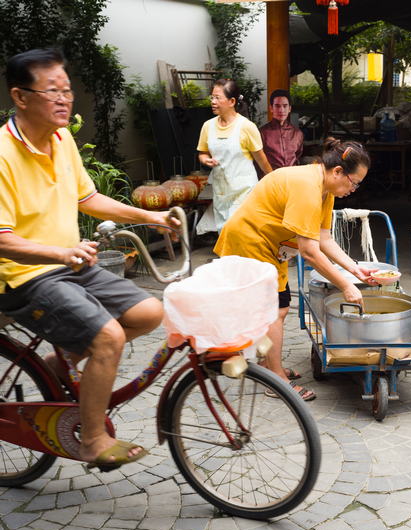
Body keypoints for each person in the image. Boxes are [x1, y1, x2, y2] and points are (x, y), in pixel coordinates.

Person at [0, 48, 179, 468]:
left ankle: (58, 365)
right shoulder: (3, 154)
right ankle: (92, 441)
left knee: (149, 312)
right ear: (20, 97)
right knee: (109, 338)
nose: (63, 98)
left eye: (67, 90)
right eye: (51, 91)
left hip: (70, 266)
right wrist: (61, 251)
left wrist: (149, 215)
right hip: (23, 278)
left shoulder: (62, 140)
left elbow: (89, 197)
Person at [214, 138, 375, 401]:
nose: (353, 189)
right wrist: (345, 286)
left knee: (275, 307)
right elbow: (310, 251)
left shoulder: (325, 190)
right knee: (276, 309)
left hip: (269, 245)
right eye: (353, 182)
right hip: (250, 241)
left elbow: (325, 239)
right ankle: (276, 379)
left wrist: (354, 270)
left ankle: (266, 366)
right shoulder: (307, 188)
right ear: (337, 172)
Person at [196, 79, 273, 235]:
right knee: (224, 235)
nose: (213, 102)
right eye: (212, 97)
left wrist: (274, 180)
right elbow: (202, 152)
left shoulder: (246, 127)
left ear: (232, 101)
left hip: (244, 191)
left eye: (218, 97)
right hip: (221, 192)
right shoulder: (207, 126)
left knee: (237, 232)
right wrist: (206, 160)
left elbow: (261, 159)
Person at [254, 88, 304, 176]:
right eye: (277, 106)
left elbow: (298, 157)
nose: (281, 110)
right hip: (269, 181)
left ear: (289, 108)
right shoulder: (261, 133)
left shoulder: (297, 133)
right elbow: (257, 162)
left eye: (285, 106)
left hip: (291, 180)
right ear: (271, 108)